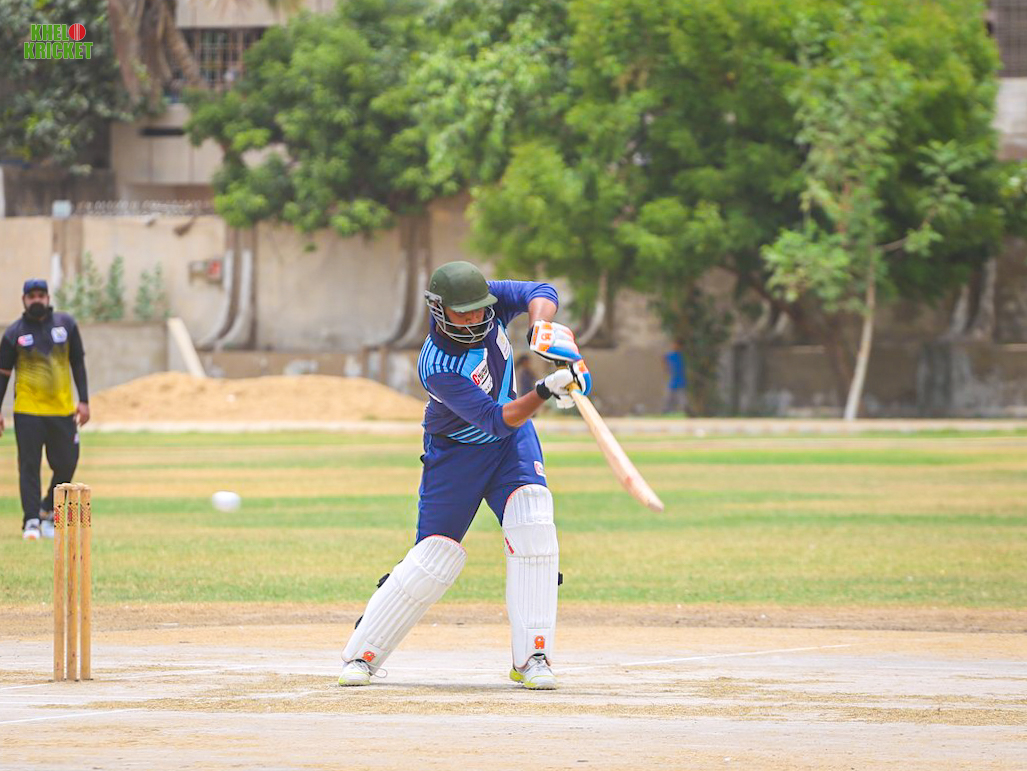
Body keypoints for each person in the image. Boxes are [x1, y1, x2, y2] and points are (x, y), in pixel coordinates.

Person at [338, 260, 590, 690]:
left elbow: (541, 291)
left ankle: (532, 657)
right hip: (457, 454)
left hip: (511, 447)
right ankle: (363, 653)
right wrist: (546, 390)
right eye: (463, 313)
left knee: (533, 524)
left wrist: (541, 330)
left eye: (479, 309)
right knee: (433, 557)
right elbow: (494, 420)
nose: (474, 318)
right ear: (439, 309)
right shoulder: (436, 364)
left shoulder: (485, 300)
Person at [0, 279, 90, 540]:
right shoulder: (14, 333)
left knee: (68, 462)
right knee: (29, 465)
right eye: (32, 296)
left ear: (48, 298)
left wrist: (84, 400)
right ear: (24, 300)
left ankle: (47, 510)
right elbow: (3, 374)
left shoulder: (66, 324)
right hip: (28, 411)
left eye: (41, 295)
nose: (37, 300)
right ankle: (31, 520)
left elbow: (78, 363)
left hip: (62, 410)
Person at [663, 344, 687, 414]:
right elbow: (663, 358)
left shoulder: (682, 356)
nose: (675, 346)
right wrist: (667, 368)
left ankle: (685, 410)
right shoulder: (671, 355)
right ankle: (666, 411)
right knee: (668, 398)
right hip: (673, 381)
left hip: (681, 381)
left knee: (682, 398)